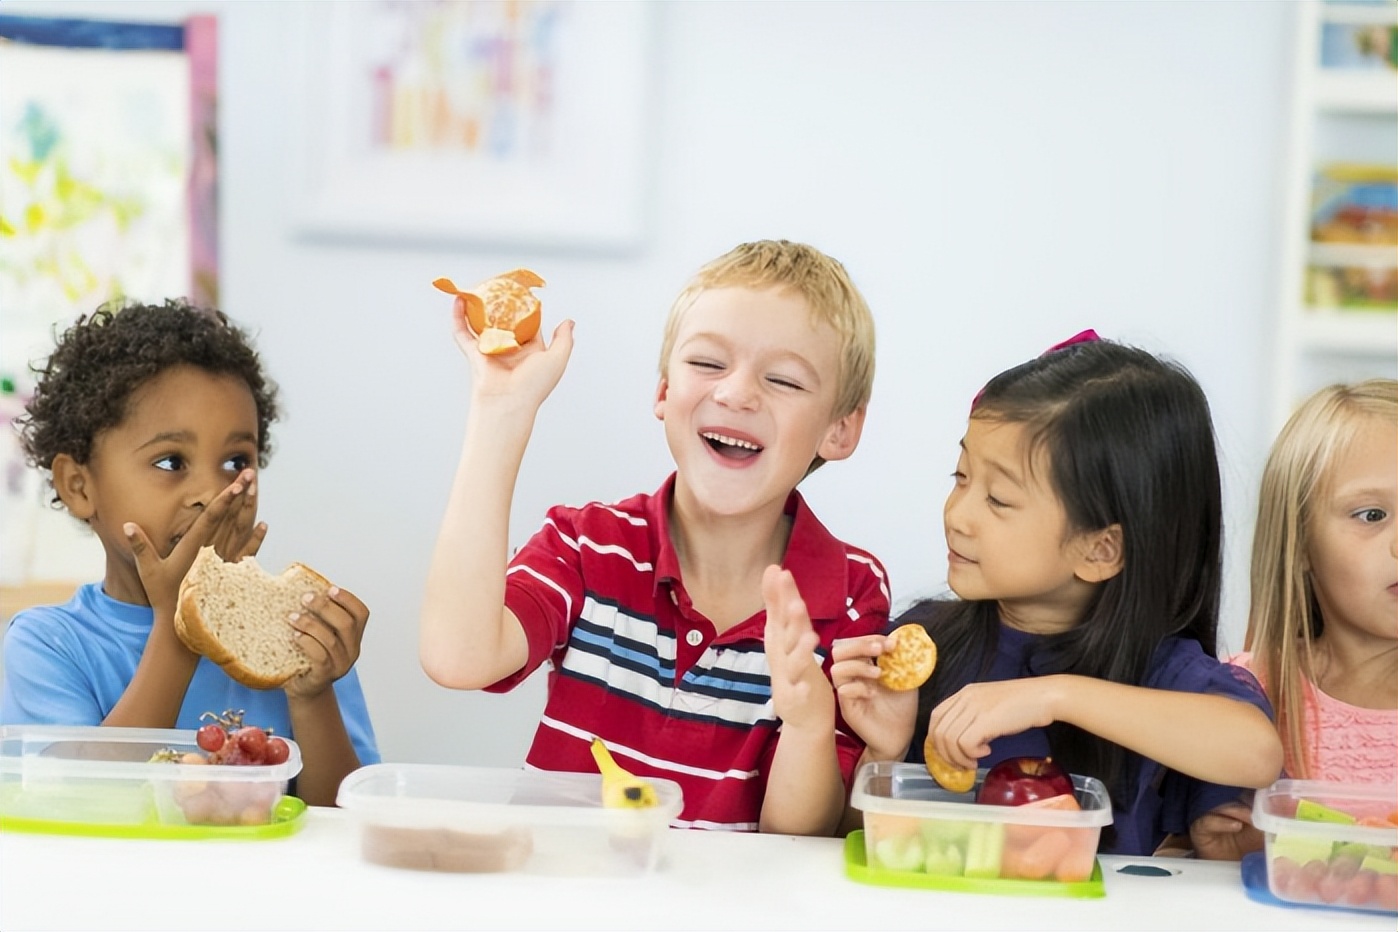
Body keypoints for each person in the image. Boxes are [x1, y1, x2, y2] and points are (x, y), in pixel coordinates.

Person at [419, 240, 889, 834]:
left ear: (840, 428)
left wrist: (807, 725)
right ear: (664, 390)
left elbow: (797, 839)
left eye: (783, 380)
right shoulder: (587, 545)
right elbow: (458, 658)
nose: (736, 393)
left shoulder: (851, 592)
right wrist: (500, 411)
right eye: (708, 364)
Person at [826, 333, 1283, 856]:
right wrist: (882, 753)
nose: (957, 515)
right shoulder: (928, 639)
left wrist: (1052, 697)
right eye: (961, 476)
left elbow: (1257, 752)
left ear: (1101, 549)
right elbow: (854, 844)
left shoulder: (1162, 675)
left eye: (998, 499)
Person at [1, 299, 379, 805]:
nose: (211, 491)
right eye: (171, 462)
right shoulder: (47, 644)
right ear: (78, 486)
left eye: (236, 461)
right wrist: (181, 627)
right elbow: (84, 804)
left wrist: (312, 695)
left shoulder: (298, 634)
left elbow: (344, 817)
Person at [1189, 379, 1397, 859]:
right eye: (1371, 515)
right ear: (1299, 543)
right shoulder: (1241, 694)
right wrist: (1223, 852)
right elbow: (1164, 869)